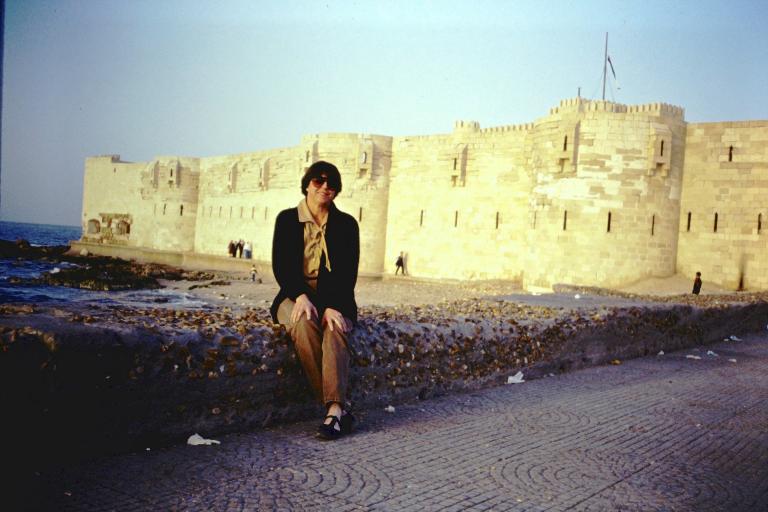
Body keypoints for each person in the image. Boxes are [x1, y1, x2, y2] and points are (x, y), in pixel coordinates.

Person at [270, 161, 359, 440]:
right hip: (293, 294)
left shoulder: (346, 224)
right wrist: (301, 296)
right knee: (304, 323)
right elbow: (281, 267)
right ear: (307, 183)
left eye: (331, 183)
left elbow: (348, 273)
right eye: (319, 181)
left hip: (336, 297)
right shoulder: (287, 219)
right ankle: (338, 409)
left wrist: (334, 305)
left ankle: (334, 411)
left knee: (335, 329)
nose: (325, 188)